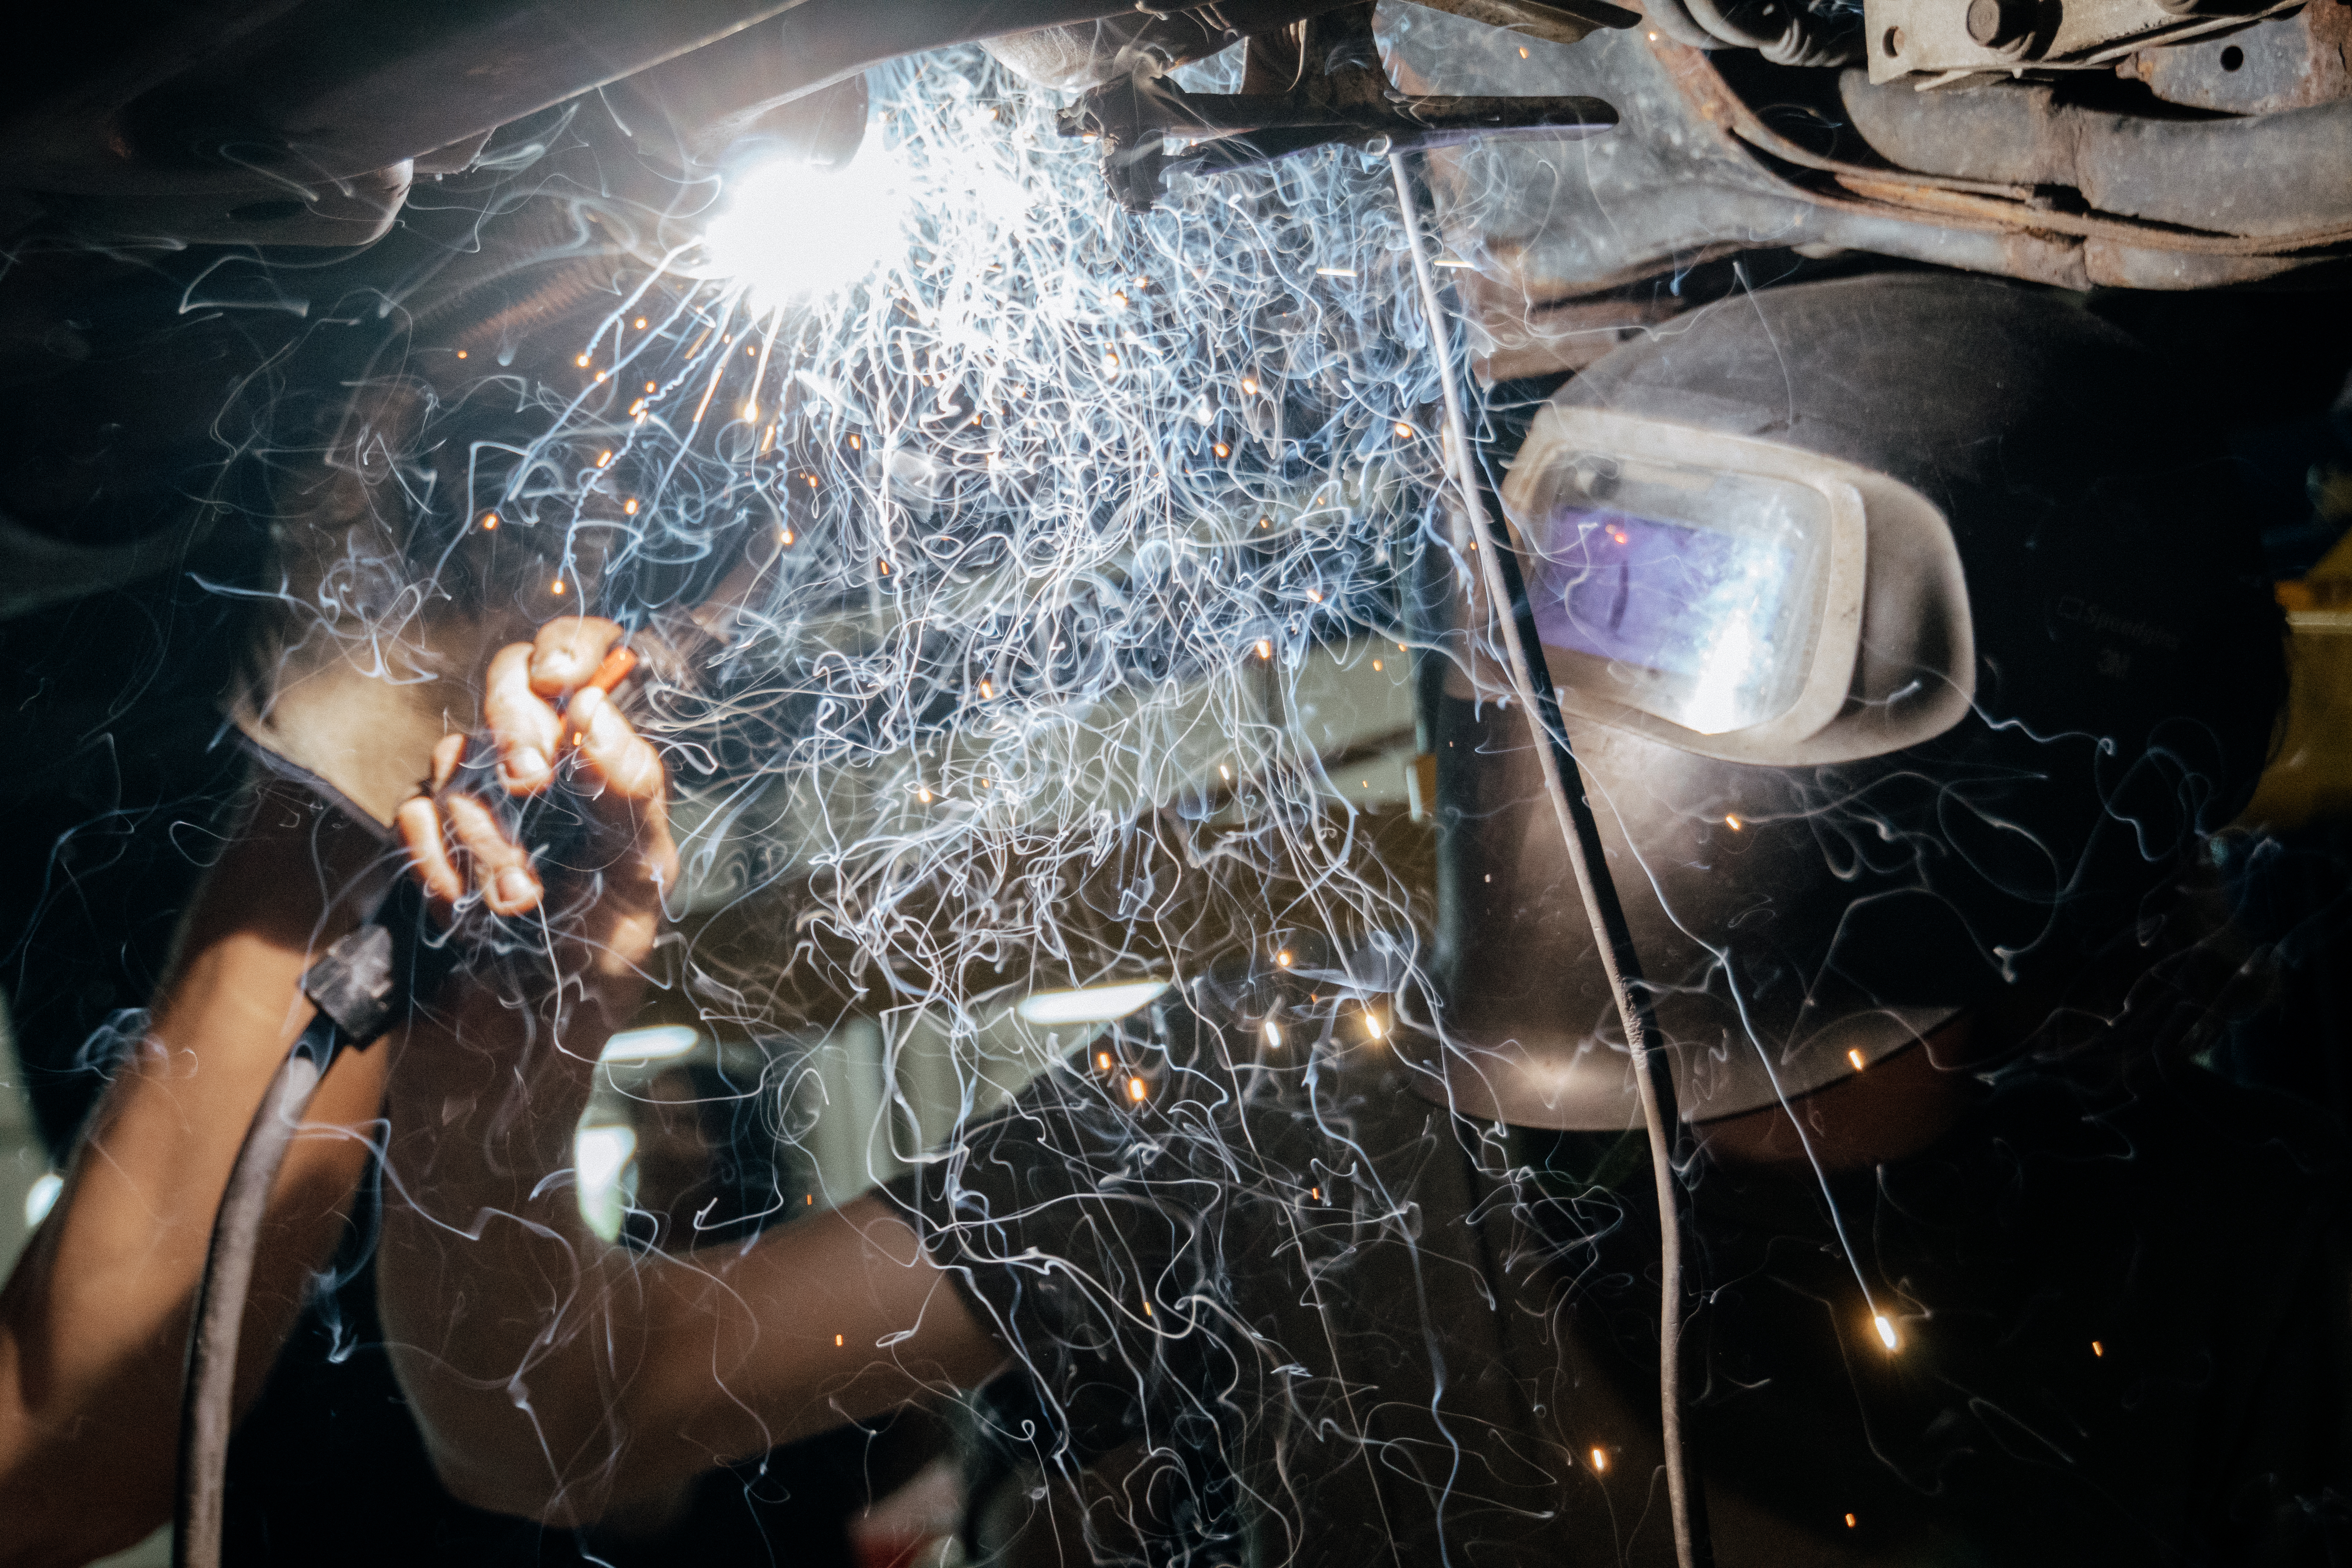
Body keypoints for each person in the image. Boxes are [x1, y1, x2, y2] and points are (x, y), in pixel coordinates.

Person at [372, 274, 2349, 1567]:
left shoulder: (2259, 1273)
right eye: (1567, 586)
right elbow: (562, 1417)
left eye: (1674, 609)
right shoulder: (1304, 1096)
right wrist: (512, 1037)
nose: (1576, 659)